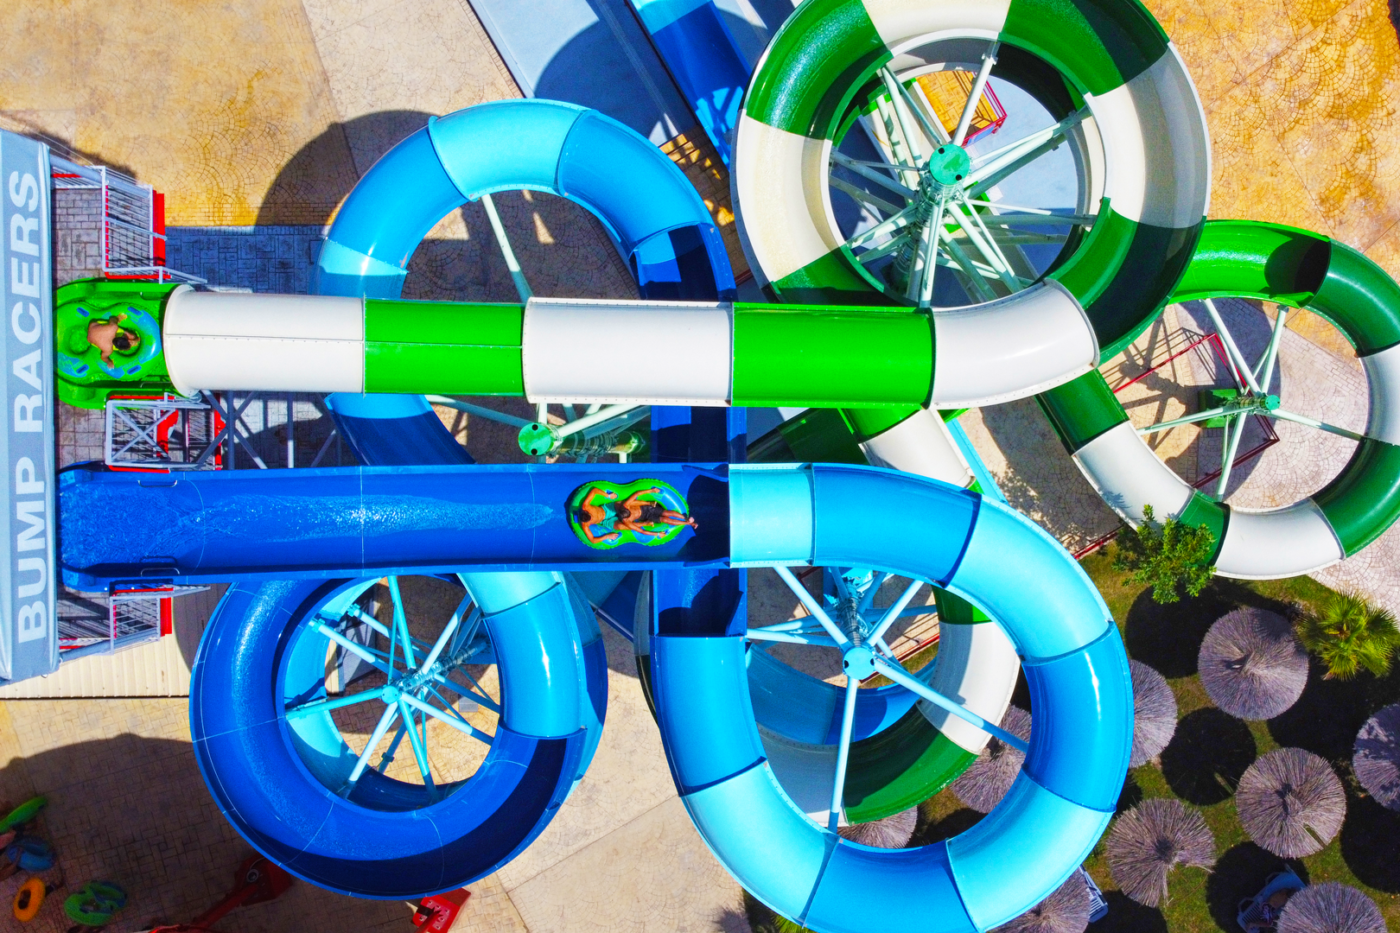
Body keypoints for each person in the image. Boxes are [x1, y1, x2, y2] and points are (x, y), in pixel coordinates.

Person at [574, 486, 697, 544]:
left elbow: (594, 490)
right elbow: (593, 540)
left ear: (586, 511)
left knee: (621, 503)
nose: (593, 517)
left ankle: (686, 520)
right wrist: (608, 536)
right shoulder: (585, 525)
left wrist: (608, 495)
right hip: (607, 521)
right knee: (620, 527)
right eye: (592, 519)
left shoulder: (585, 506)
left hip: (608, 509)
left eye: (591, 514)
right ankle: (686, 522)